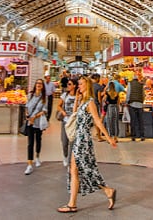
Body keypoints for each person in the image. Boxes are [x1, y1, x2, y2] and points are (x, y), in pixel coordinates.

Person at [58, 76, 118, 213]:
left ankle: (107, 190)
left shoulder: (90, 102)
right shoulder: (82, 101)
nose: (78, 86)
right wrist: (77, 100)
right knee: (74, 169)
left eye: (81, 84)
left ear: (87, 86)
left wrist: (108, 138)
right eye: (78, 84)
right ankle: (72, 203)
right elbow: (74, 115)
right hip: (78, 138)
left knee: (87, 169)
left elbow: (97, 121)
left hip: (83, 139)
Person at [24, 78, 49, 175]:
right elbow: (26, 106)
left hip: (38, 122)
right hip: (30, 122)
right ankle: (29, 164)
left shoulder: (44, 98)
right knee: (30, 143)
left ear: (42, 86)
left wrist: (35, 116)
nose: (38, 85)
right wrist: (27, 115)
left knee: (38, 140)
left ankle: (37, 156)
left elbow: (45, 110)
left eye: (40, 84)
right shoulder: (30, 95)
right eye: (37, 83)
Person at [56, 77, 77, 165]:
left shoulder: (79, 96)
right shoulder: (65, 95)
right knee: (64, 142)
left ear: (74, 86)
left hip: (74, 122)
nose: (67, 86)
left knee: (72, 142)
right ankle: (65, 156)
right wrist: (63, 112)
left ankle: (70, 160)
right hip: (65, 121)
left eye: (69, 84)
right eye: (67, 84)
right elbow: (58, 105)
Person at [125, 74, 146, 141]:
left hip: (132, 104)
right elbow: (143, 94)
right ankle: (142, 135)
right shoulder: (141, 84)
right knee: (141, 120)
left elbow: (128, 93)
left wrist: (127, 101)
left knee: (133, 120)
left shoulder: (130, 83)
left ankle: (133, 136)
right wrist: (142, 101)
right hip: (140, 104)